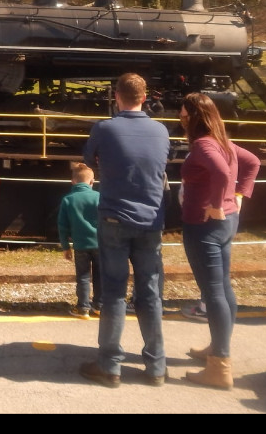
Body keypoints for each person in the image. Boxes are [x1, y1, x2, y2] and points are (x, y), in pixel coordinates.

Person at [79, 73, 170, 388]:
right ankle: (156, 367)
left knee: (115, 293)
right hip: (151, 222)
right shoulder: (161, 130)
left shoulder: (105, 128)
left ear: (116, 97)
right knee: (150, 294)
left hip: (115, 219)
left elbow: (88, 158)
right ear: (144, 98)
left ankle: (110, 366)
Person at [179, 92, 259, 390]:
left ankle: (219, 367)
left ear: (192, 116)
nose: (179, 117)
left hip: (205, 225)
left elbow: (223, 172)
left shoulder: (203, 144)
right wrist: (238, 197)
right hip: (227, 222)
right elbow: (252, 163)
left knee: (213, 292)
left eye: (183, 112)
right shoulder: (221, 140)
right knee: (223, 287)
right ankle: (217, 348)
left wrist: (215, 202)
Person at [58, 162, 101, 319]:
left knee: (83, 277)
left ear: (73, 181)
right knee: (100, 275)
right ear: (92, 182)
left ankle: (83, 308)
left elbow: (62, 226)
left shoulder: (68, 200)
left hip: (81, 245)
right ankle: (100, 306)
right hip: (100, 244)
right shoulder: (99, 197)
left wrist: (65, 247)